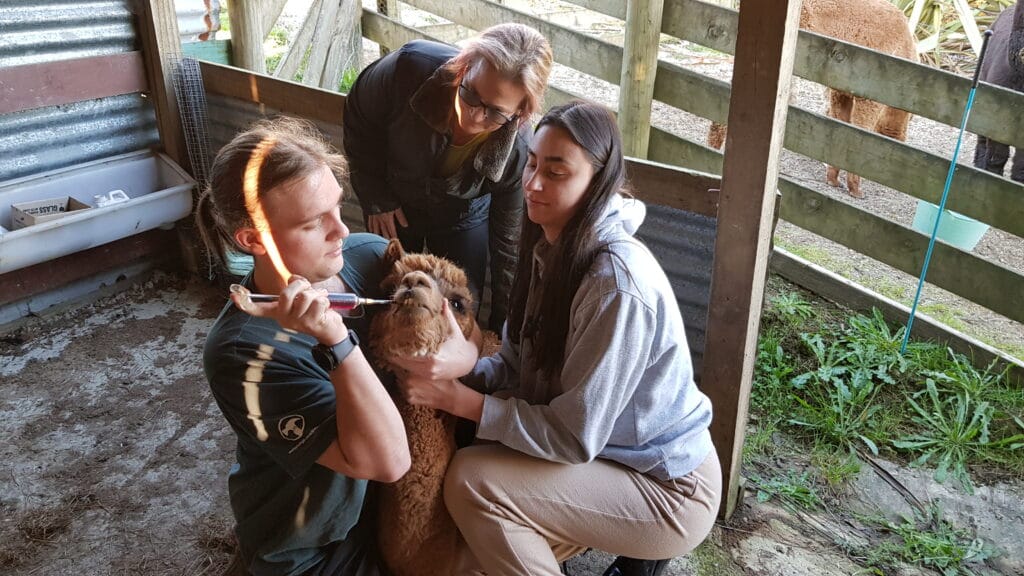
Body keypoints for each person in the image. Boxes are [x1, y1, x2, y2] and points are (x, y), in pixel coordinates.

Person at [396, 101, 722, 576]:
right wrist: (464, 367)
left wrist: (460, 401)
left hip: (664, 486)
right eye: (531, 163)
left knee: (472, 482)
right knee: (463, 560)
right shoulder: (552, 245)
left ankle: (642, 549)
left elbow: (572, 437)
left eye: (556, 171)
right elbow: (514, 361)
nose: (531, 184)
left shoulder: (615, 285)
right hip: (610, 456)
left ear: (597, 181)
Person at [196, 117, 409, 576]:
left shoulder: (371, 258)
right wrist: (335, 339)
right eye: (315, 223)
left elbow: (452, 331)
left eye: (338, 207)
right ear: (254, 239)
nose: (343, 231)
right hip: (313, 547)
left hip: (387, 514)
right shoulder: (243, 353)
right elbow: (386, 461)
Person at [342, 23, 553, 332]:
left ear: (520, 114)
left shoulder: (519, 154)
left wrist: (502, 334)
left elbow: (509, 248)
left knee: (459, 306)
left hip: (464, 216)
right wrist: (375, 196)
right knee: (389, 296)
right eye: (470, 94)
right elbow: (359, 115)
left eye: (495, 112)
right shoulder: (408, 69)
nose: (474, 116)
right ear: (463, 67)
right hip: (395, 198)